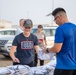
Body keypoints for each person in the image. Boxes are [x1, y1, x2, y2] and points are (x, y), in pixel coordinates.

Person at [44, 7, 76, 75]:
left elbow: (56, 49)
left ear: (60, 17)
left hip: (63, 67)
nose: (56, 22)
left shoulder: (60, 29)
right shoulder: (74, 27)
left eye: (55, 19)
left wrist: (47, 50)